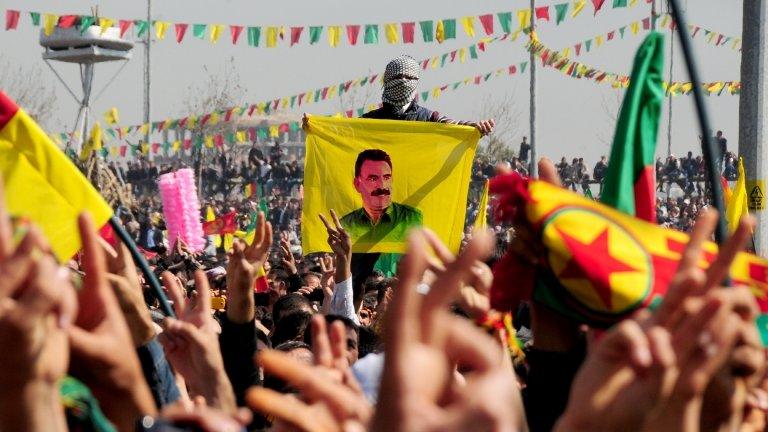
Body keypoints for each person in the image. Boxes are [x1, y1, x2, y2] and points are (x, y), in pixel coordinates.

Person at [340, 149, 422, 244]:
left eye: (386, 177)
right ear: (357, 184)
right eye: (373, 179)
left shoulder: (413, 218)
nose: (382, 185)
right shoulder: (345, 225)